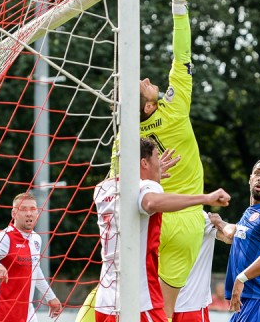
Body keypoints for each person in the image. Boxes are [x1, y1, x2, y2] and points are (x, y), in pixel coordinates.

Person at [109, 0, 205, 319]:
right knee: (164, 311)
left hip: (146, 223)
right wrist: (179, 5)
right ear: (149, 104)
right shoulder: (175, 107)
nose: (148, 79)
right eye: (143, 85)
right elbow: (183, 56)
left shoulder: (124, 139)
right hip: (186, 219)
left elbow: (113, 185)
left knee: (128, 308)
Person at [94, 137, 230, 322]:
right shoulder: (147, 188)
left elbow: (133, 190)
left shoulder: (103, 188)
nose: (160, 162)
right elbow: (151, 202)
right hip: (140, 302)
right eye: (157, 157)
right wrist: (205, 198)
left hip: (106, 301)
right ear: (144, 162)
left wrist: (150, 173)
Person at [213, 158, 260, 322]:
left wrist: (241, 278)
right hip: (248, 301)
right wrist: (217, 222)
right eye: (258, 173)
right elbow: (234, 234)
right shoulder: (250, 212)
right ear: (250, 178)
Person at [0, 192, 62, 322]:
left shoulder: (36, 239)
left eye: (33, 209)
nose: (29, 213)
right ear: (14, 214)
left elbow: (35, 270)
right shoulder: (4, 237)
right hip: (0, 314)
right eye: (23, 209)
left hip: (27, 315)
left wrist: (50, 297)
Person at [172, 211, 231, 322]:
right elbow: (232, 236)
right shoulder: (200, 216)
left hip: (163, 304)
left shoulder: (159, 211)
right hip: (190, 305)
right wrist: (219, 222)